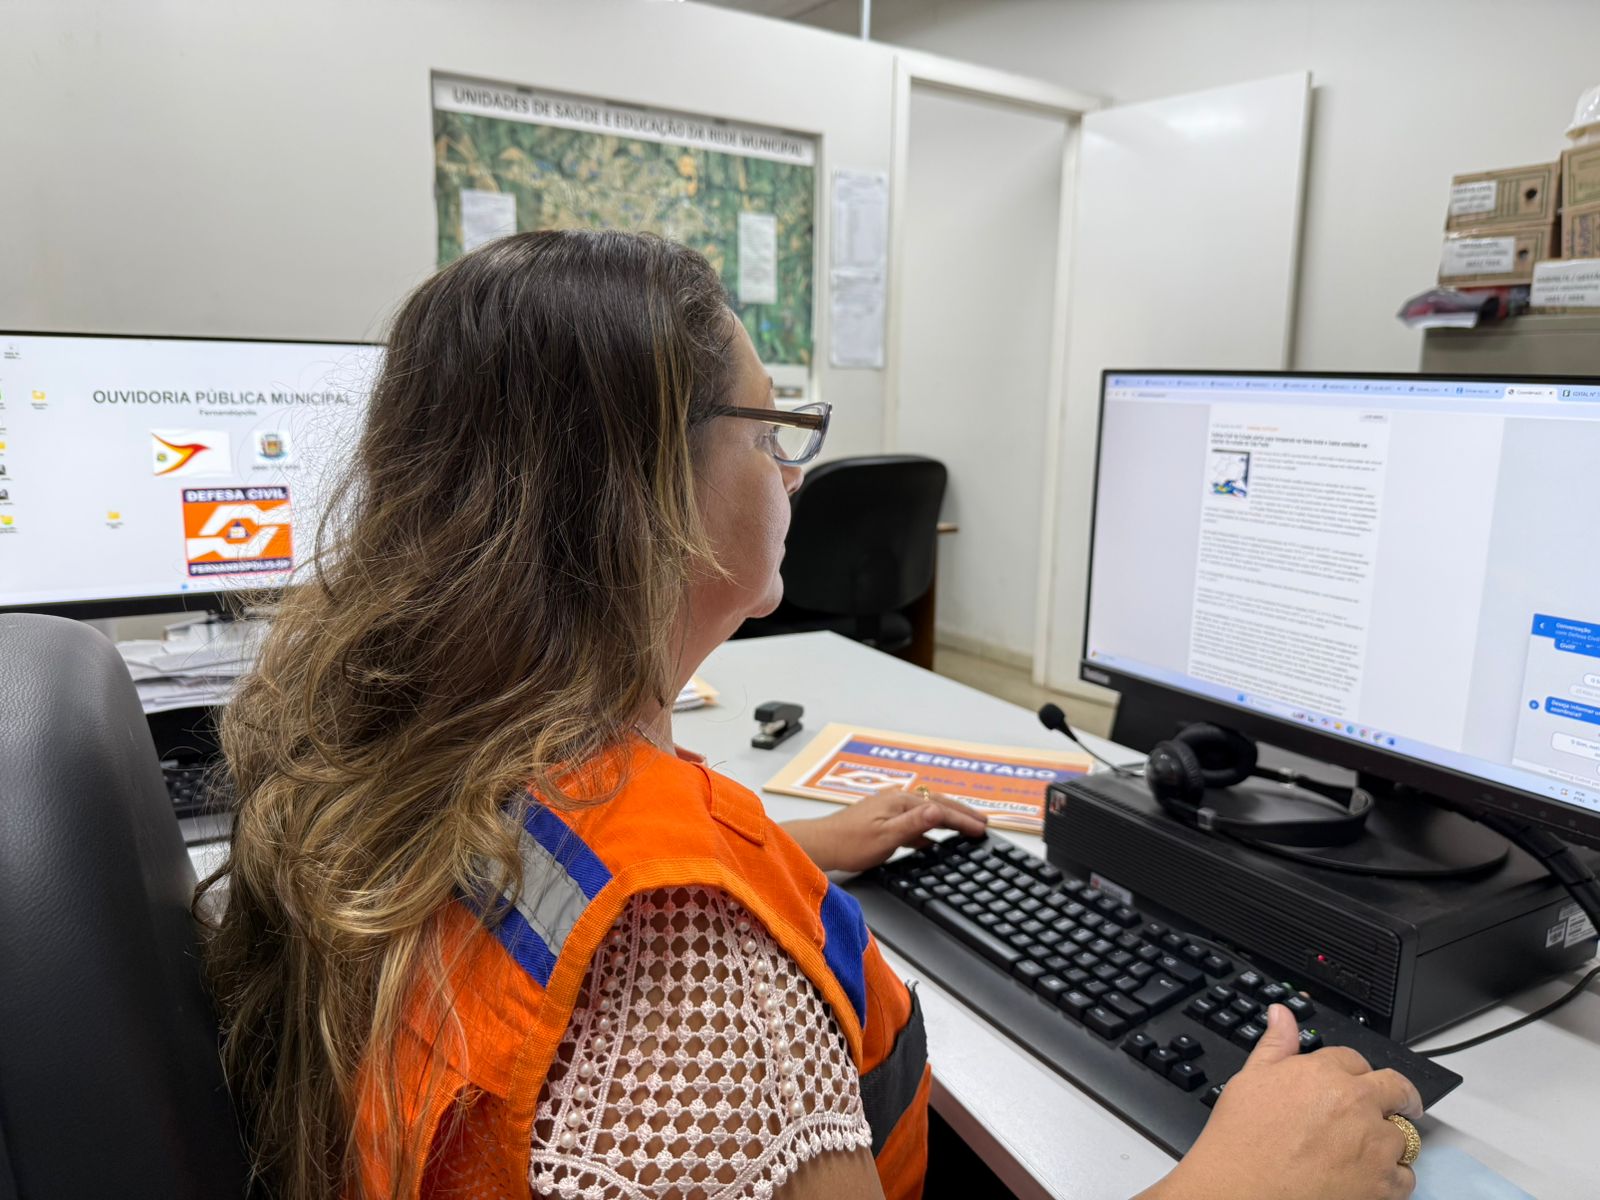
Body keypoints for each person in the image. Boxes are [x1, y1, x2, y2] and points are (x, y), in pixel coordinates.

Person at [198, 229, 1422, 1200]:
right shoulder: (688, 987)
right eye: (774, 430)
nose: (793, 471)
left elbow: (542, 890)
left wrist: (782, 852)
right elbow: (640, 984)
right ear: (644, 491)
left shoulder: (410, 746)